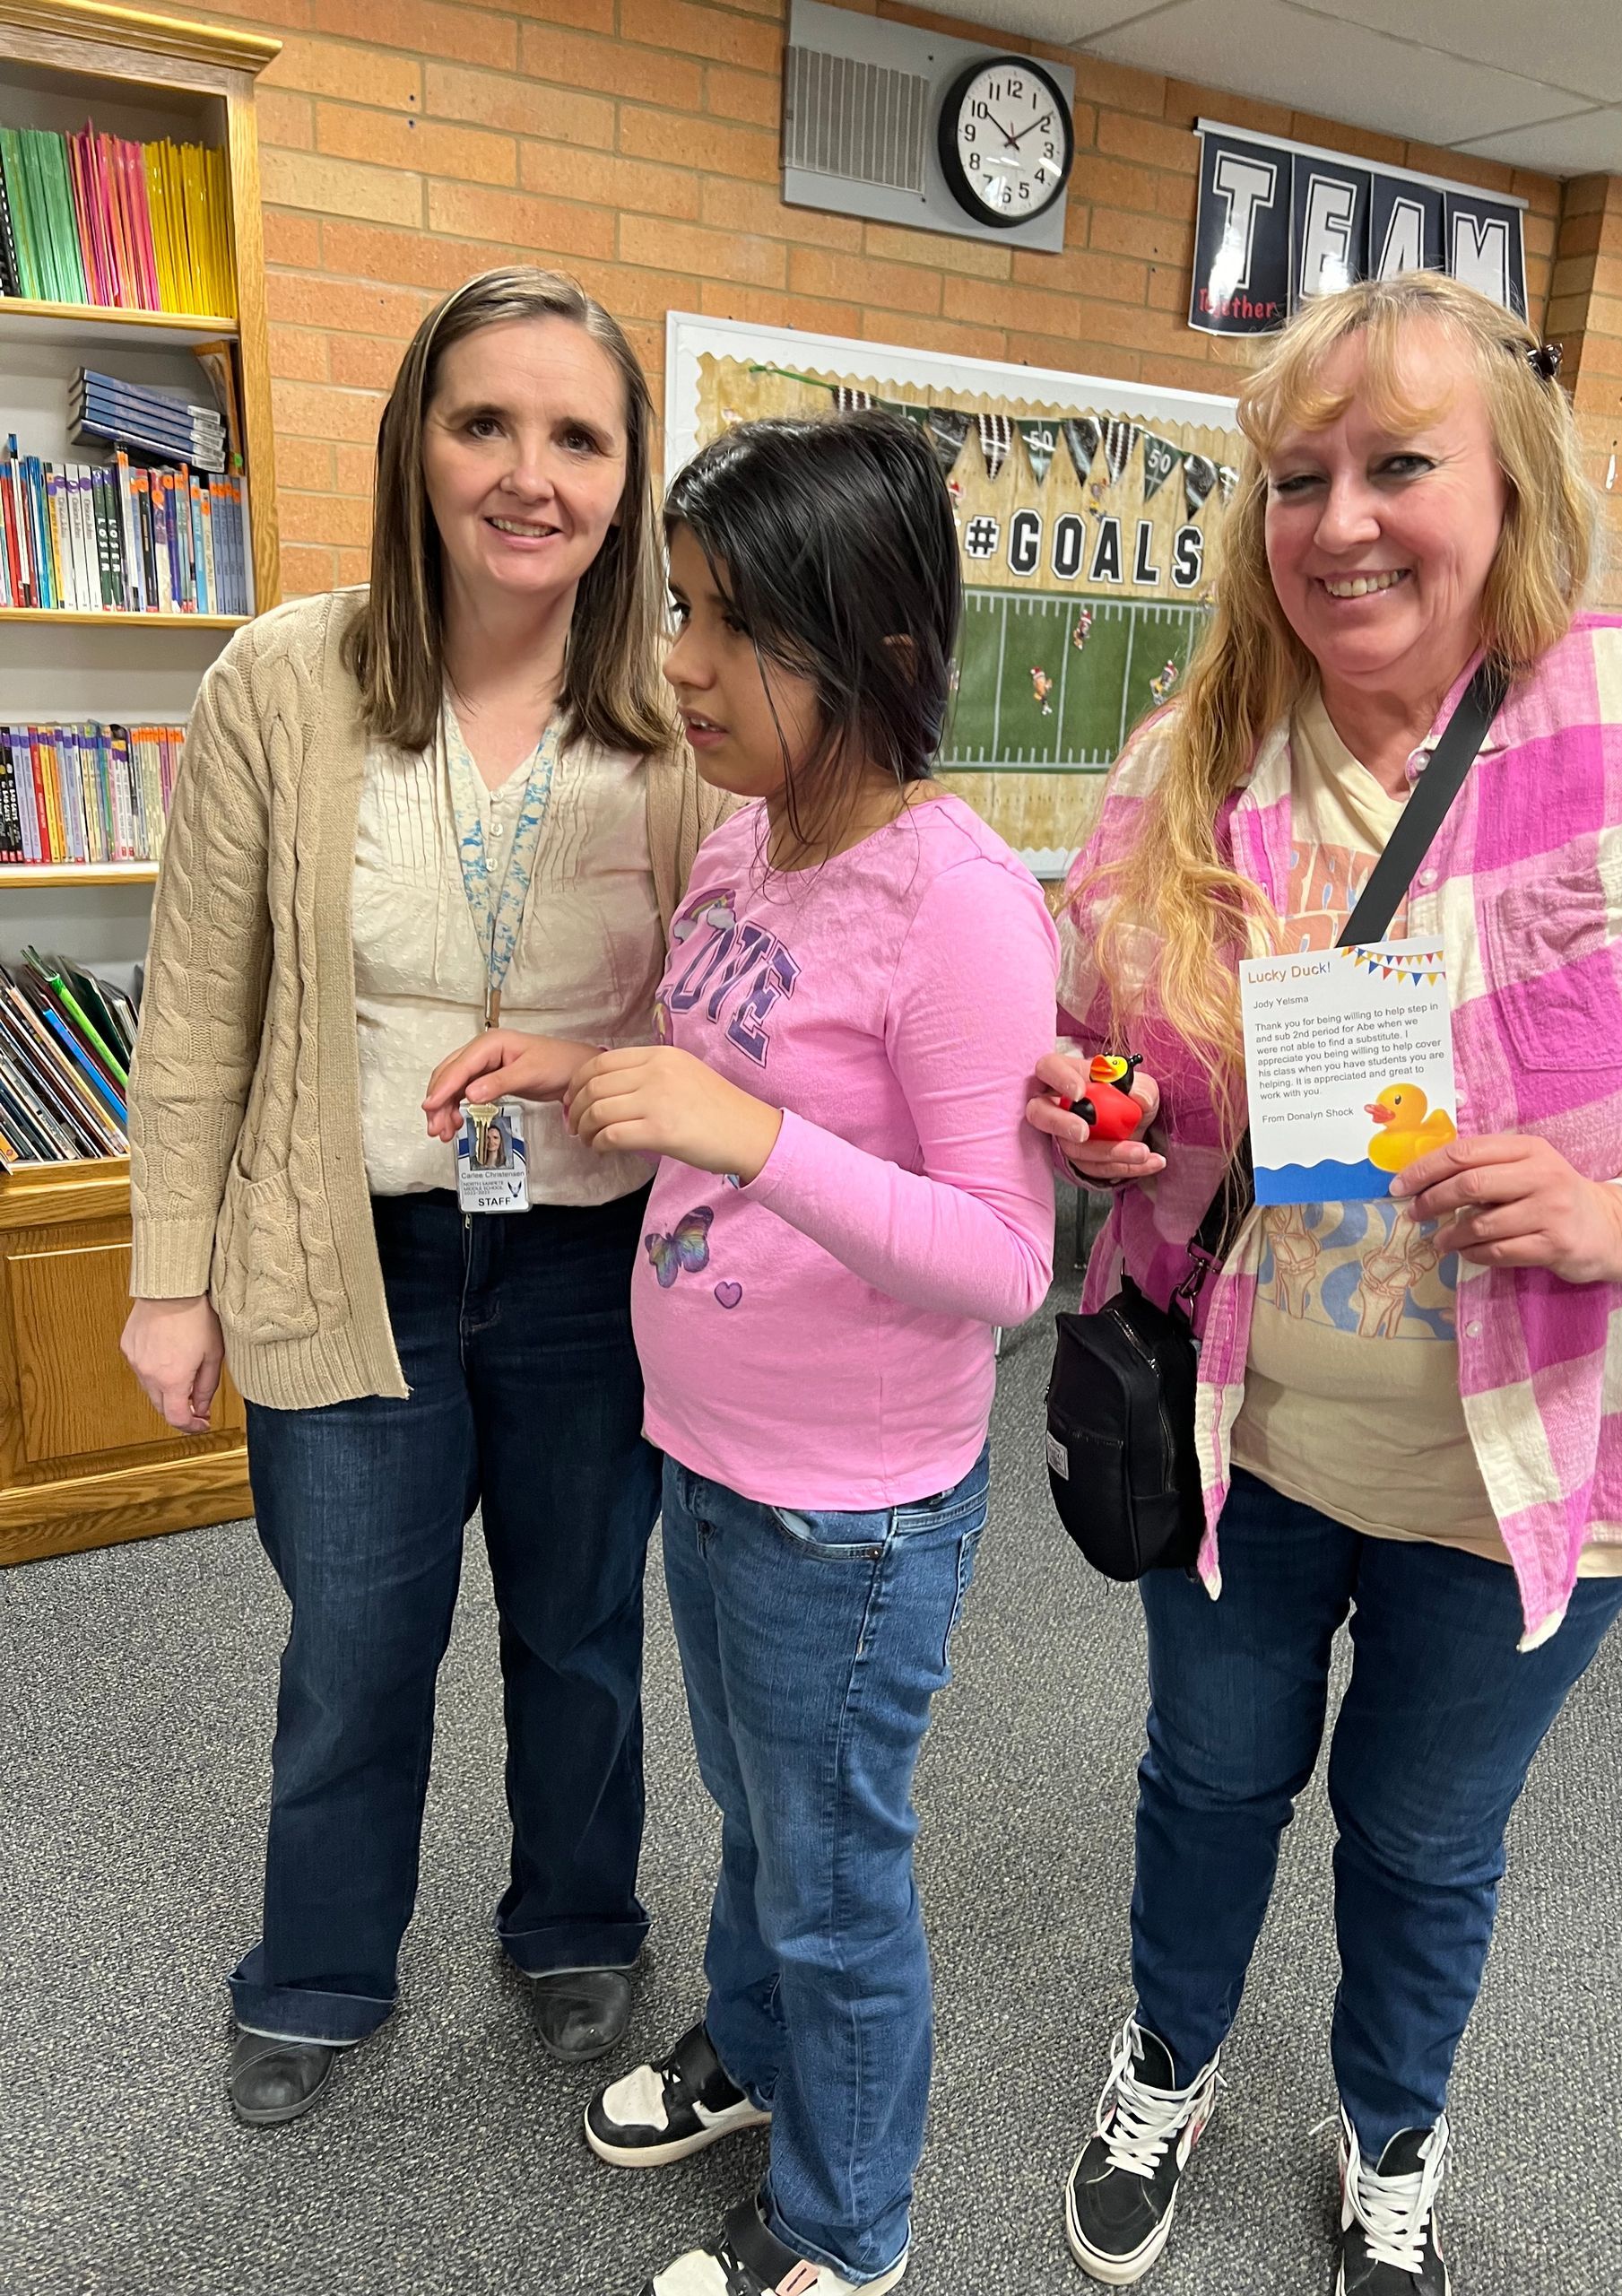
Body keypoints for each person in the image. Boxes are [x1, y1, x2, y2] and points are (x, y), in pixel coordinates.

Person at [1030, 273, 1622, 2294]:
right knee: (1211, 1779)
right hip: (1245, 1426)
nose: (1339, 520)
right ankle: (1169, 2054)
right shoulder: (1194, 743)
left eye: (1398, 464)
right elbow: (1095, 1038)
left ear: (1509, 483)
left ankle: (1393, 2122)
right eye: (1296, 475)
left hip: (1539, 1465)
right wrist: (1097, 1110)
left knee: (1424, 1840)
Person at [427, 410, 1059, 2296]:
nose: (677, 666)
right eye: (677, 612)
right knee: (757, 1812)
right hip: (706, 1449)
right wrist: (584, 1070)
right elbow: (709, 1068)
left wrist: (746, 1133)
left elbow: (1003, 1254)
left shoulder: (956, 904)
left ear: (863, 648)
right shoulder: (752, 852)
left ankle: (843, 2225)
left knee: (836, 1870)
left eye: (721, 626)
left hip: (849, 1513)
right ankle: (754, 2050)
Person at [120, 268, 729, 2127]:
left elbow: (785, 962)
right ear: (417, 440)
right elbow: (200, 992)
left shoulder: (683, 704)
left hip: (592, 1257)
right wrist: (169, 1277)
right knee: (355, 1642)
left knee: (577, 1627)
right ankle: (318, 1961)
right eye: (486, 422)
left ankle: (574, 1922)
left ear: (629, 476)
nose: (528, 473)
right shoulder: (287, 680)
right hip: (341, 1241)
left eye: (578, 435)